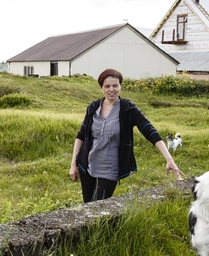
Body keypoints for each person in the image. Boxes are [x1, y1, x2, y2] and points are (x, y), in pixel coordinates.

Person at [69, 69, 183, 203]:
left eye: (115, 85)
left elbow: (150, 132)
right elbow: (81, 136)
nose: (111, 89)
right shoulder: (93, 107)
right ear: (101, 88)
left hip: (110, 169)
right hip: (87, 166)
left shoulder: (128, 109)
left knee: (97, 209)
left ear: (120, 86)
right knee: (87, 209)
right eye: (107, 86)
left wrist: (169, 160)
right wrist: (74, 164)